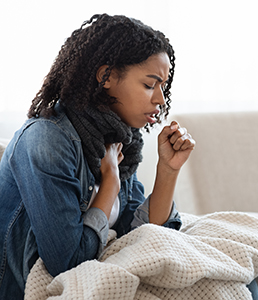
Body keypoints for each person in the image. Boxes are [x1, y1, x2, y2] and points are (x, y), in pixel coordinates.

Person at [0, 14, 196, 298]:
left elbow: (140, 232)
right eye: (150, 84)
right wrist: (110, 183)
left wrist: (168, 169)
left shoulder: (117, 139)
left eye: (163, 87)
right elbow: (66, 262)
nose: (160, 100)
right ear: (106, 77)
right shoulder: (47, 140)